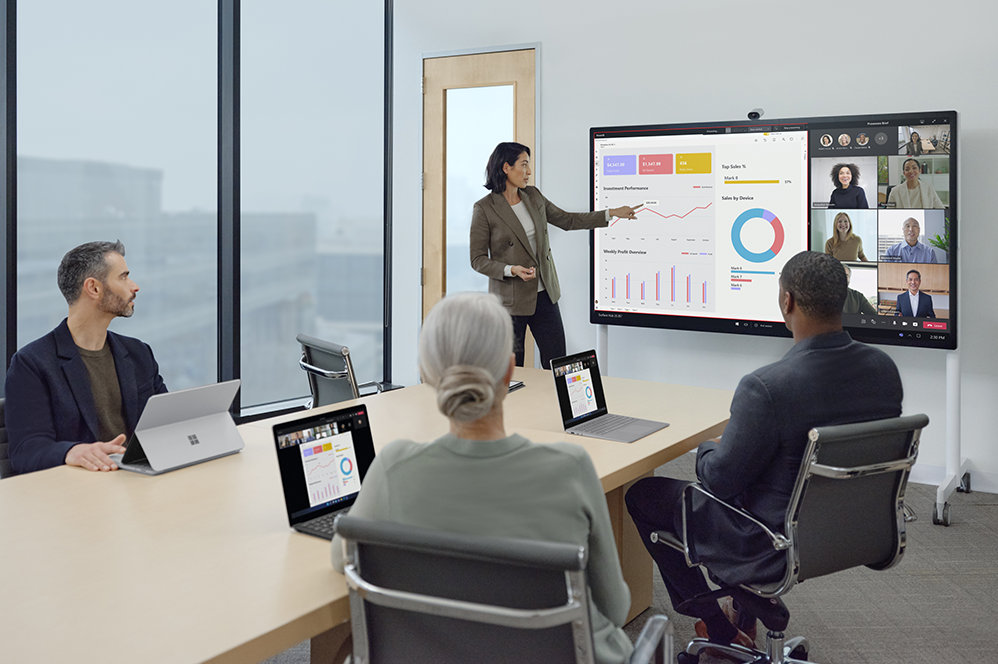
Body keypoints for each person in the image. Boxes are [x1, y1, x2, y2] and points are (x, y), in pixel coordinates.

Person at [331, 292, 633, 663]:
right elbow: (615, 608)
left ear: (427, 373)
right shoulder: (570, 468)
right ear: (509, 370)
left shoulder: (393, 468)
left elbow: (342, 558)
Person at [625, 251, 902, 651]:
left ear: (787, 301)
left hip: (771, 543)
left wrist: (708, 449)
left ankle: (715, 625)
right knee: (760, 475)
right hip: (851, 531)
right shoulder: (883, 369)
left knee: (644, 495)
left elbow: (719, 481)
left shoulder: (768, 386)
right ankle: (744, 607)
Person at [4, 241, 167, 475]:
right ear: (94, 288)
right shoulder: (31, 363)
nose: (135, 286)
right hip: (80, 487)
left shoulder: (139, 353)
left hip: (138, 479)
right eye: (123, 277)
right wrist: (72, 451)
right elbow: (25, 452)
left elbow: (166, 424)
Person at [470, 142, 639, 368]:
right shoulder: (485, 208)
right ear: (506, 167)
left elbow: (567, 220)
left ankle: (555, 395)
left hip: (544, 294)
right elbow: (477, 259)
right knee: (512, 369)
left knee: (558, 364)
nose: (529, 171)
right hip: (510, 301)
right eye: (524, 165)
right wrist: (511, 270)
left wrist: (610, 213)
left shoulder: (533, 196)